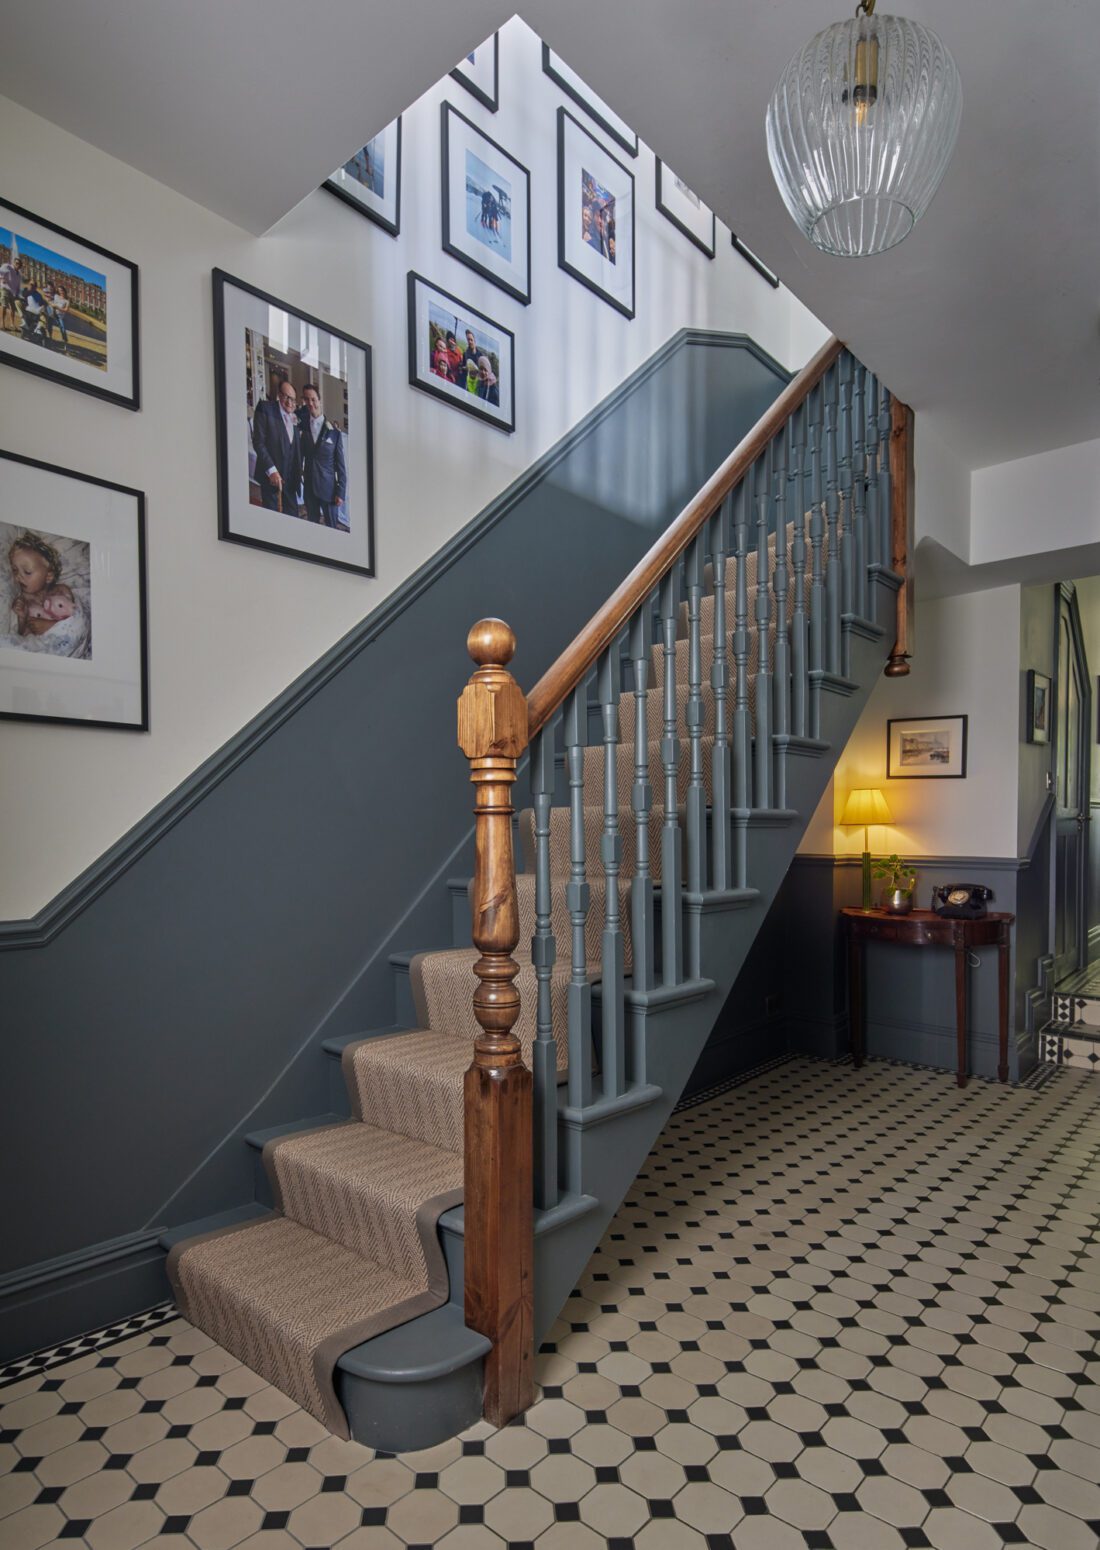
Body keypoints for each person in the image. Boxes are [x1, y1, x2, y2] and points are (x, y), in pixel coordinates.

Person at [297, 382, 346, 527]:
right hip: (309, 487)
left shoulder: (334, 433)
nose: (310, 403)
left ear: (319, 400)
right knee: (312, 525)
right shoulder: (302, 426)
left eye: (313, 399)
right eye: (307, 399)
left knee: (332, 528)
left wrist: (341, 492)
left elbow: (340, 466)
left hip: (329, 490)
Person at [251, 376, 303, 514]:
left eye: (293, 399)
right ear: (279, 395)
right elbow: (259, 443)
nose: (290, 402)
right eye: (287, 397)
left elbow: (296, 449)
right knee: (271, 518)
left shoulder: (295, 417)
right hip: (271, 478)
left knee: (293, 518)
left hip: (291, 480)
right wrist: (271, 470)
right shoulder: (265, 408)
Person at [0, 255, 21, 332]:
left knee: (12, 309)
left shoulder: (19, 275)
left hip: (13, 293)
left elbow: (18, 286)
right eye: (17, 263)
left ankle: (12, 324)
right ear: (14, 262)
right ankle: (2, 324)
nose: (18, 265)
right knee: (4, 305)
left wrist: (17, 294)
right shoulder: (7, 266)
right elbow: (0, 271)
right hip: (5, 288)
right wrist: (2, 279)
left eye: (19, 264)